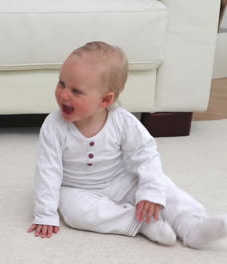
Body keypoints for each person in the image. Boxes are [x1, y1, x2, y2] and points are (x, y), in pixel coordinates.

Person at [27, 41, 227, 248]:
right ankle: (142, 222)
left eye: (76, 91)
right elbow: (48, 171)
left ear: (105, 100)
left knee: (166, 188)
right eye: (61, 83)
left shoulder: (122, 122)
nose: (63, 94)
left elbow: (146, 155)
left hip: (120, 179)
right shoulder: (53, 127)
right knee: (75, 212)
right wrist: (45, 214)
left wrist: (150, 192)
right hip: (76, 188)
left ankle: (192, 225)